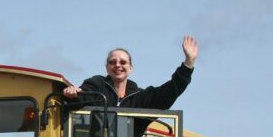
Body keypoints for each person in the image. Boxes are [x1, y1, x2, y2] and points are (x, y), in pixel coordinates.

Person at [63, 36, 198, 109]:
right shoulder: (97, 85)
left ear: (131, 68)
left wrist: (188, 63)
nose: (117, 65)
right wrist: (73, 93)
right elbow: (83, 96)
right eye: (112, 62)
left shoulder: (140, 98)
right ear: (107, 68)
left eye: (123, 62)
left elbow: (169, 92)